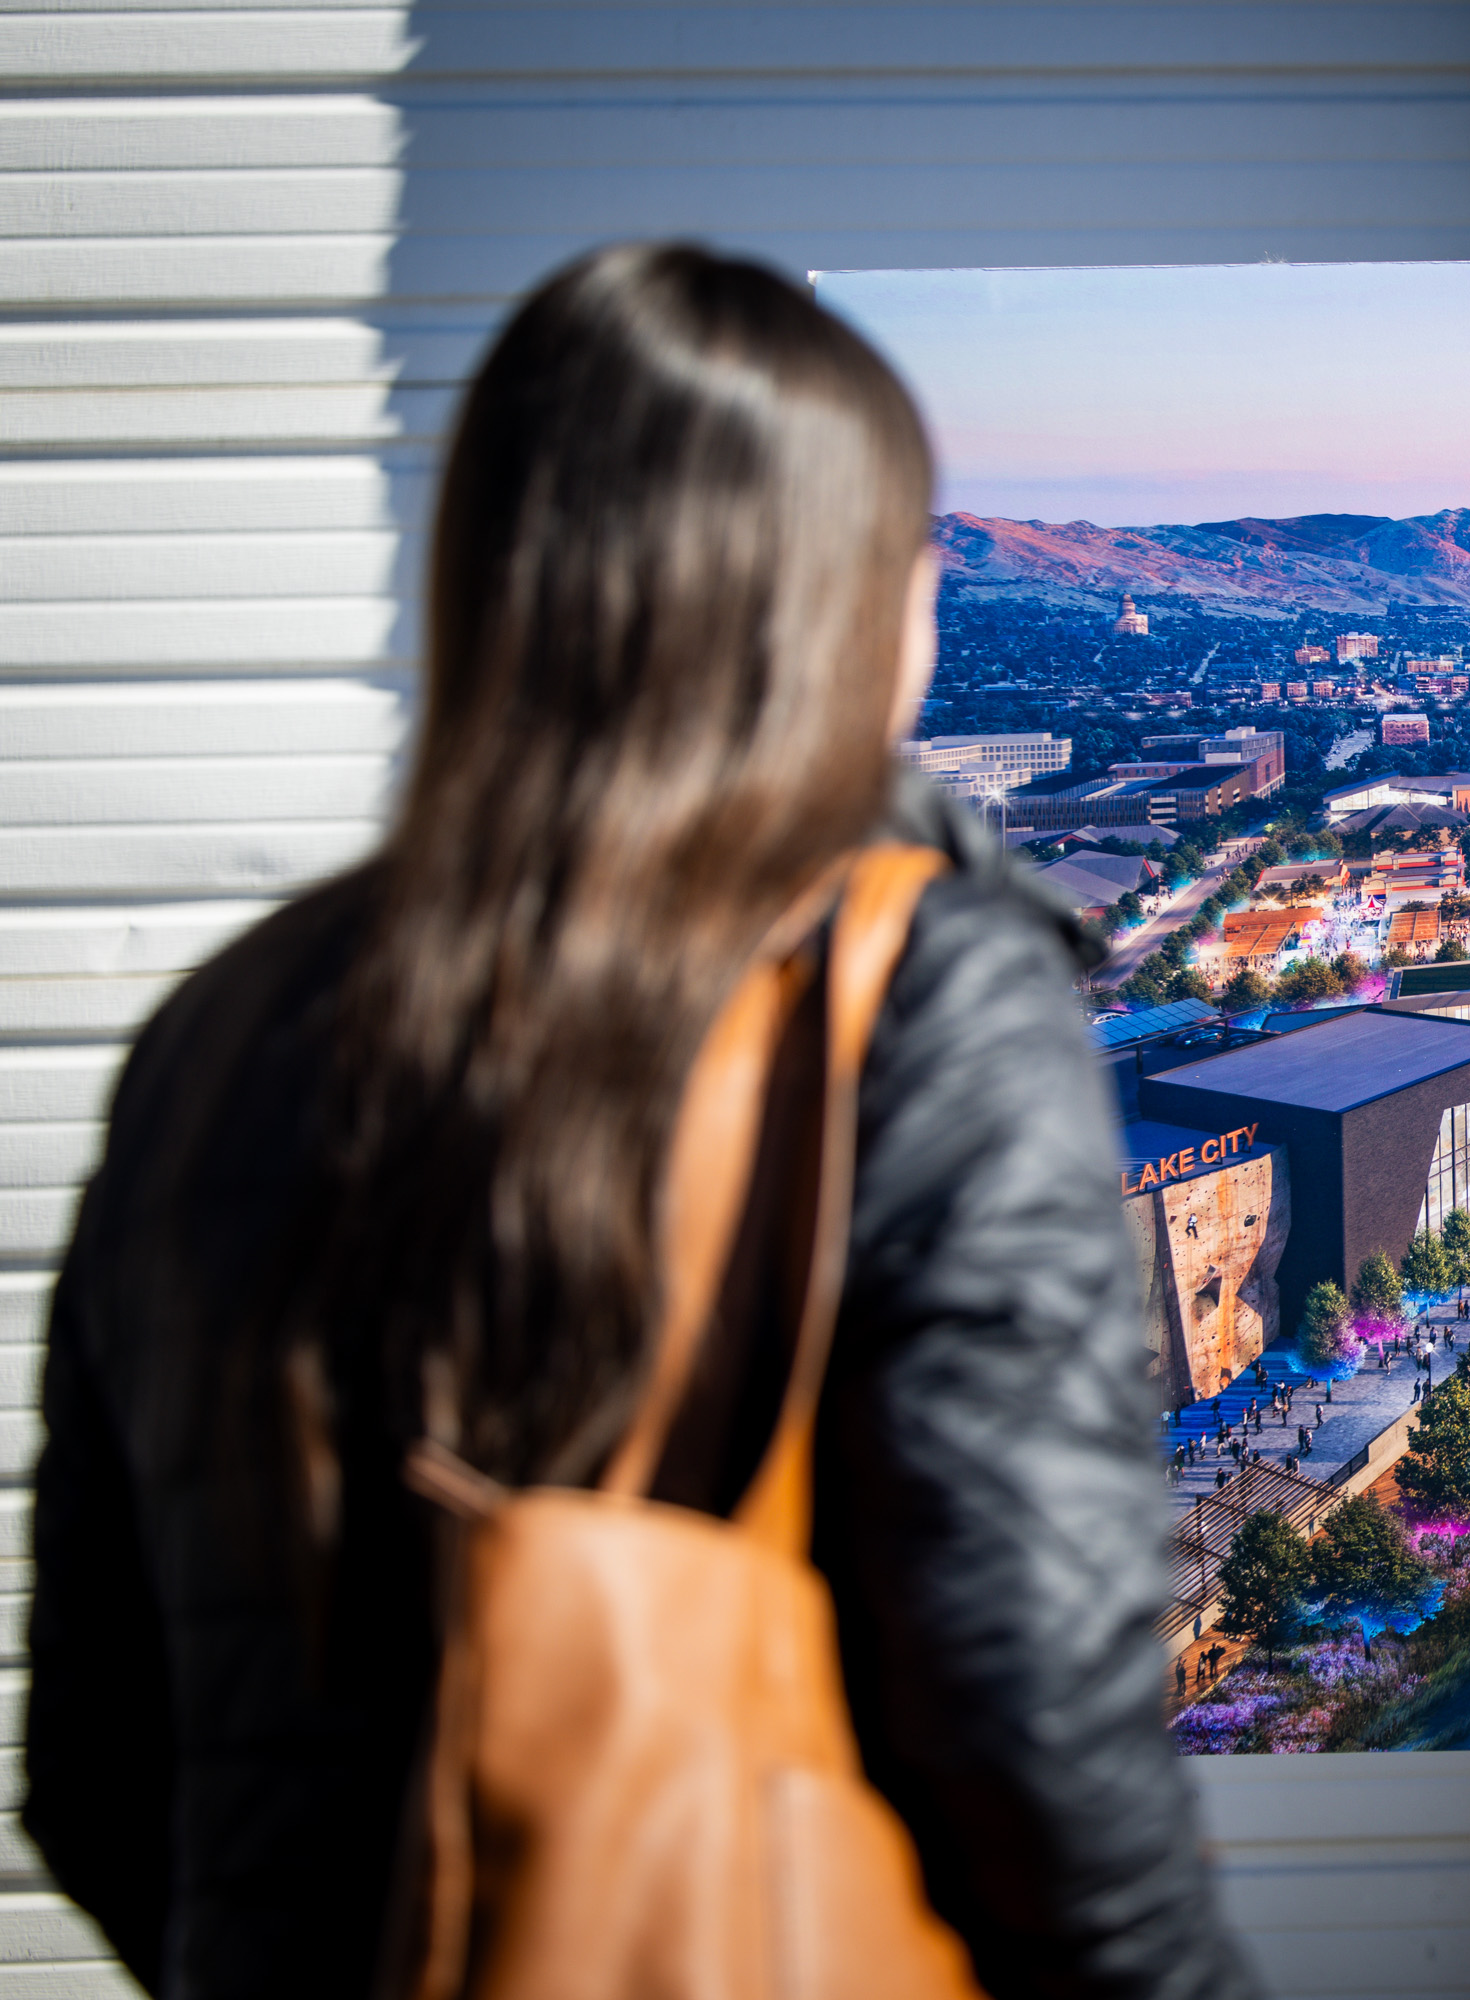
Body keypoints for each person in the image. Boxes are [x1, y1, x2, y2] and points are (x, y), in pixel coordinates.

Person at [26, 246, 1253, 2000]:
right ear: (852, 605)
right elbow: (1038, 1733)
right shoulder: (906, 992)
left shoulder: (217, 1034)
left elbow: (90, 1766)